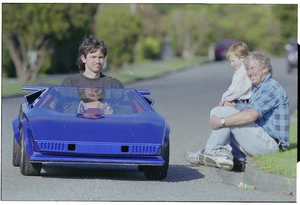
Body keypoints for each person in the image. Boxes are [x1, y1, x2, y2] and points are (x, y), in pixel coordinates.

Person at [184, 51, 290, 172]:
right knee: (219, 110)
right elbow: (248, 109)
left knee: (223, 115)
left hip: (271, 145)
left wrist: (222, 122)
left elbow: (250, 116)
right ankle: (224, 154)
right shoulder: (258, 87)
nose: (249, 73)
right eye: (247, 69)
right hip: (260, 139)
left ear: (265, 68)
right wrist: (232, 106)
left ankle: (211, 152)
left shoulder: (271, 87)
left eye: (252, 68)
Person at [218, 42, 252, 111]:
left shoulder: (243, 72)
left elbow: (235, 90)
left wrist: (224, 98)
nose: (231, 64)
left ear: (242, 58)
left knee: (218, 112)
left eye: (233, 61)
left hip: (243, 104)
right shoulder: (242, 70)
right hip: (240, 102)